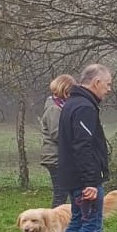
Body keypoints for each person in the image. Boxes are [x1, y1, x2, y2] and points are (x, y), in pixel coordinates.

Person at [55, 64, 113, 232]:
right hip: (84, 180)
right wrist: (90, 182)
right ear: (96, 82)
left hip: (71, 175)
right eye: (107, 84)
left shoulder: (72, 103)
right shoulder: (84, 108)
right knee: (90, 226)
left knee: (76, 222)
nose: (109, 89)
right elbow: (82, 146)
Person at [39, 74, 76, 208]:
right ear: (64, 90)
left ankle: (65, 218)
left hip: (61, 156)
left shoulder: (61, 106)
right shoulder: (54, 108)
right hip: (55, 157)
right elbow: (57, 133)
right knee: (61, 194)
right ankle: (53, 219)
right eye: (71, 91)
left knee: (66, 192)